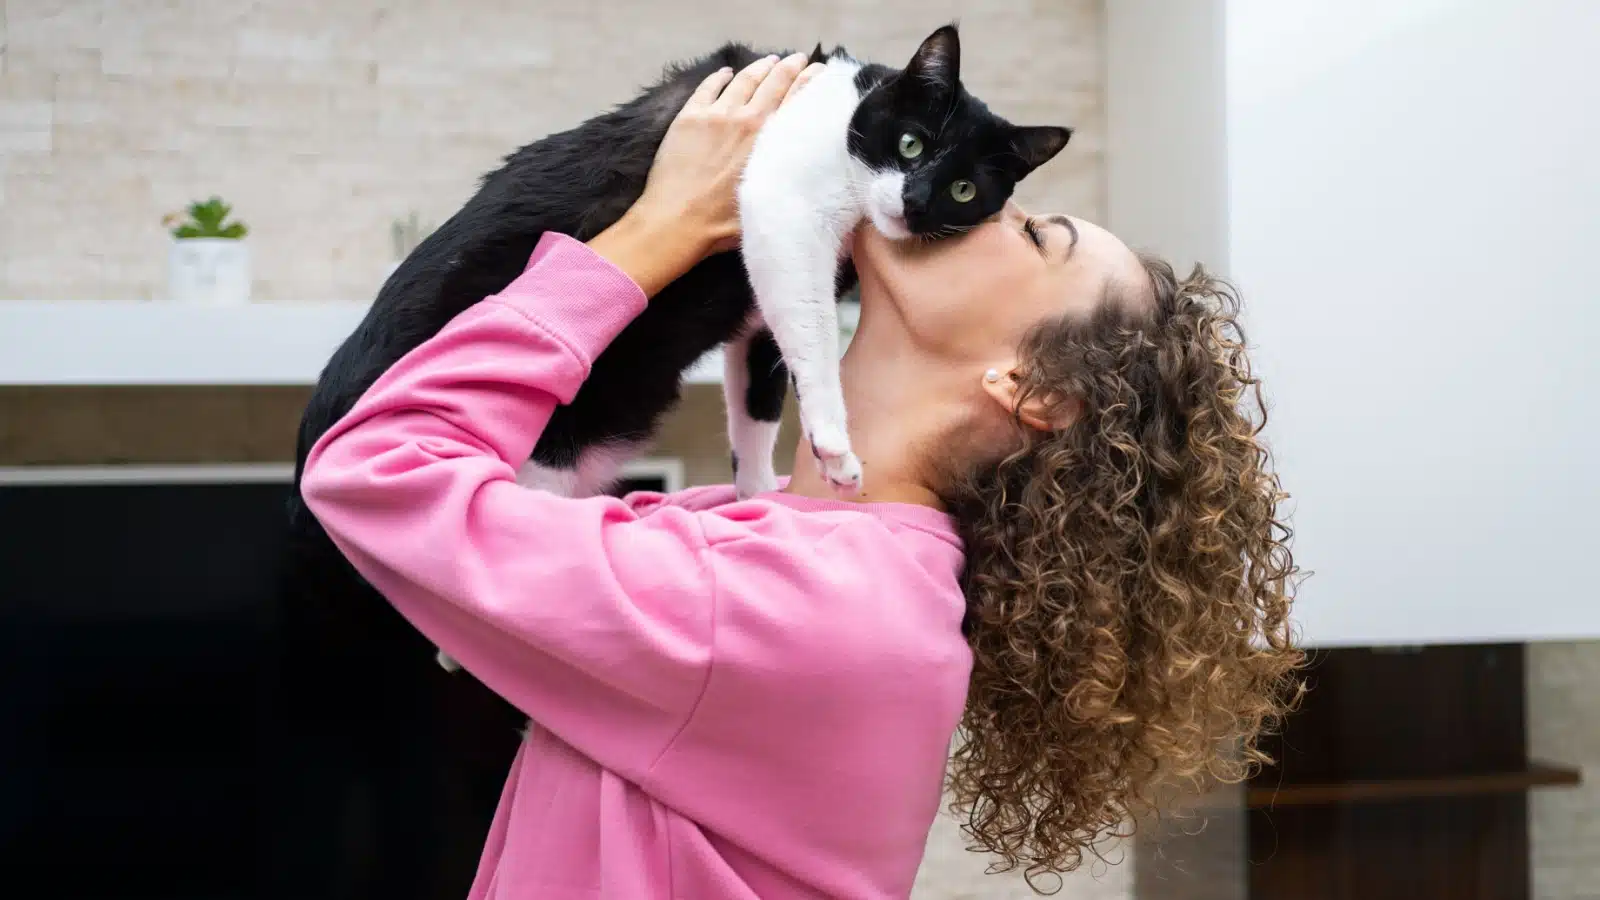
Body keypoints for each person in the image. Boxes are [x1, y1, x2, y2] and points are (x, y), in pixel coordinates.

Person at [300, 52, 1303, 899]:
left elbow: (370, 471)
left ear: (1032, 391)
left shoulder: (807, 607)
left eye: (1037, 234)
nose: (992, 207)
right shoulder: (813, 565)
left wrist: (660, 229)